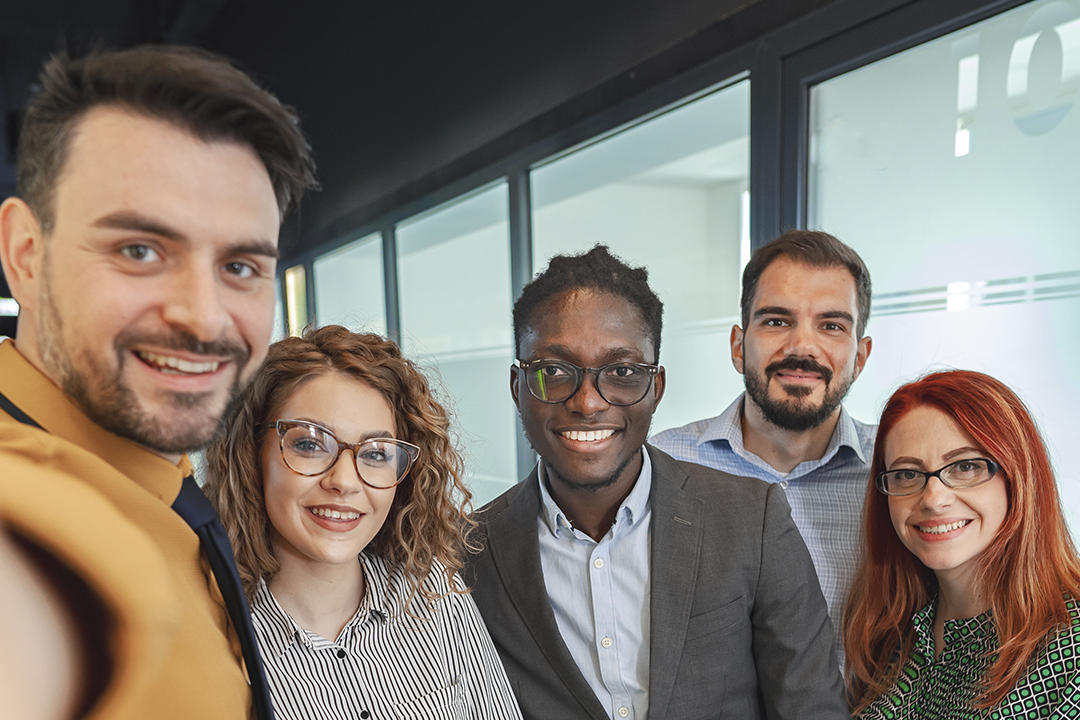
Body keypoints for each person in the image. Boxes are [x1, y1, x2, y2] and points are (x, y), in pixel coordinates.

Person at [0, 45, 317, 719]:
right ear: (26, 256)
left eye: (240, 266)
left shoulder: (164, 479)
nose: (203, 317)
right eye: (139, 251)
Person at [465, 245, 846, 720]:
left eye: (622, 372)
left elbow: (810, 708)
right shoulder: (469, 554)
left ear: (656, 388)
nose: (587, 403)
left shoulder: (752, 519)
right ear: (518, 388)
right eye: (554, 372)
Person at [203, 325, 522, 720]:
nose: (343, 481)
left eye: (375, 454)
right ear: (252, 454)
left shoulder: (433, 593)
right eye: (309, 444)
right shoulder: (207, 631)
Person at [651, 230, 875, 657]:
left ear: (860, 358)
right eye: (777, 321)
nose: (802, 346)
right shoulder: (662, 466)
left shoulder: (897, 477)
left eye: (831, 325)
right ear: (739, 346)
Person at [844, 370, 1080, 718]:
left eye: (966, 466)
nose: (933, 499)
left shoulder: (1070, 649)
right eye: (908, 473)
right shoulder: (891, 633)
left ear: (1019, 477)